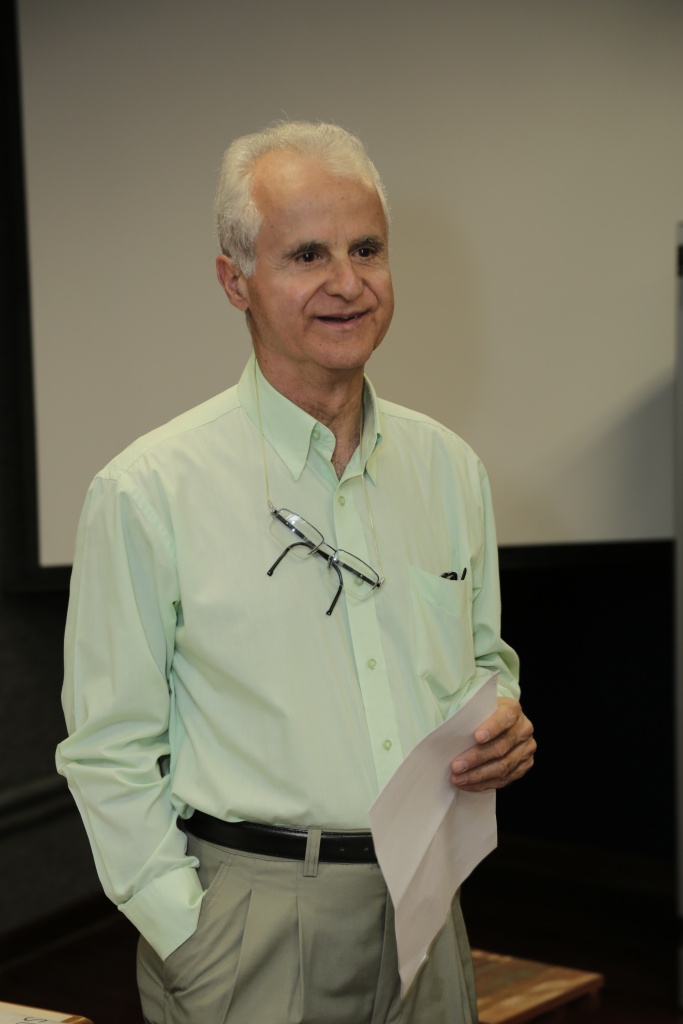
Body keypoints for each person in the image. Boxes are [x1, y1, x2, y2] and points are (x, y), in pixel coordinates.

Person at [57, 121, 535, 1024]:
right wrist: (186, 933)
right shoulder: (147, 489)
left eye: (367, 249)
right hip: (247, 925)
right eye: (307, 255)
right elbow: (106, 749)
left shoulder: (449, 469)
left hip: (428, 899)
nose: (347, 283)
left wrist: (501, 718)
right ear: (234, 281)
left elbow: (483, 662)